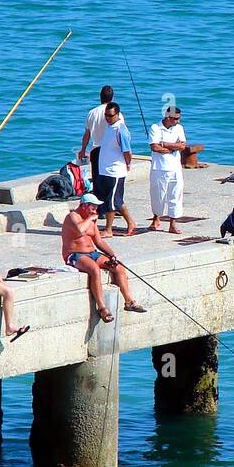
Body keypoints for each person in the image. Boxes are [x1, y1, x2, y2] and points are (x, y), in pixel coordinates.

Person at [61, 193, 146, 323]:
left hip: (93, 253)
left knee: (118, 267)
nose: (96, 211)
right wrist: (90, 219)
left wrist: (112, 254)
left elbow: (99, 241)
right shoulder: (72, 217)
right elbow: (79, 231)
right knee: (94, 269)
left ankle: (129, 301)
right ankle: (102, 308)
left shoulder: (91, 219)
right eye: (93, 208)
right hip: (75, 254)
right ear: (84, 206)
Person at [148, 105, 194, 234]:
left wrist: (164, 144)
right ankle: (156, 218)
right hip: (159, 168)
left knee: (175, 195)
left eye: (179, 118)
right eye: (175, 119)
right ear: (168, 117)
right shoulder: (155, 128)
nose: (178, 121)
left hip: (175, 168)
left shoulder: (179, 128)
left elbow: (183, 146)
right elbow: (154, 147)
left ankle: (173, 224)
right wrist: (173, 147)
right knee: (158, 195)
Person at [97, 101, 137, 237]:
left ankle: (108, 229)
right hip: (105, 170)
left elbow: (127, 152)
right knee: (116, 200)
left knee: (111, 202)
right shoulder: (110, 127)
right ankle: (131, 222)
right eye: (106, 115)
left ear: (117, 114)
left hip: (115, 171)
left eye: (110, 116)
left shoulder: (121, 130)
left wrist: (128, 164)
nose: (108, 118)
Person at [78, 85, 114, 219]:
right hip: (110, 150)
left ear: (100, 97)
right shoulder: (116, 113)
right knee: (110, 180)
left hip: (95, 150)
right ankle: (111, 207)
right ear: (112, 98)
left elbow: (86, 134)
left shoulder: (92, 112)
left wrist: (82, 149)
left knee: (98, 181)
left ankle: (101, 210)